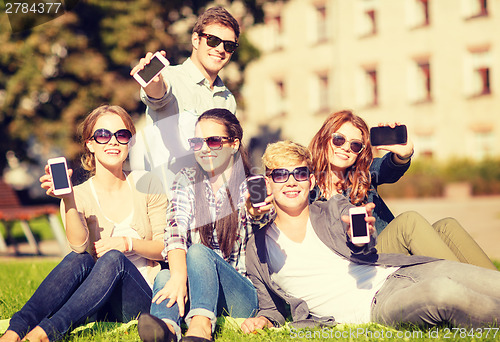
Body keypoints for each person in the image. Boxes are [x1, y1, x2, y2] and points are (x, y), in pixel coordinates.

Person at [241, 140, 500, 333]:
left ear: (310, 180)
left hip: (402, 272)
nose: (291, 182)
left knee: (491, 282)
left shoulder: (332, 209)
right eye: (280, 174)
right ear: (268, 182)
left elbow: (363, 242)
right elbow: (271, 309)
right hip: (377, 303)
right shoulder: (257, 248)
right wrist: (261, 321)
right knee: (444, 291)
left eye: (299, 173)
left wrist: (360, 234)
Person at [0, 105, 168, 342]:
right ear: (90, 143)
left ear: (130, 142)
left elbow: (164, 248)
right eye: (102, 135)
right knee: (79, 258)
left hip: (140, 299)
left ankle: (47, 332)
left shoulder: (147, 183)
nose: (113, 142)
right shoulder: (77, 194)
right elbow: (79, 248)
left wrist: (127, 243)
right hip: (96, 299)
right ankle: (16, 330)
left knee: (114, 258)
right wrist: (68, 200)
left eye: (122, 135)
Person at [137, 108, 272, 342]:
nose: (205, 148)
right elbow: (175, 232)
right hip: (197, 286)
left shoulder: (251, 185)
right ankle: (167, 331)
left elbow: (260, 219)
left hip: (240, 292)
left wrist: (254, 211)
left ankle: (201, 329)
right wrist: (178, 277)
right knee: (166, 276)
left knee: (198, 251)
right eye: (197, 142)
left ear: (234, 144)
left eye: (213, 141)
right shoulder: (186, 179)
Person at [308, 110, 496, 270]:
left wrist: (402, 156)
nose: (346, 148)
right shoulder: (306, 184)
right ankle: (466, 291)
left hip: (388, 246)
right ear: (324, 138)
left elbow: (386, 168)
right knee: (409, 222)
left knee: (447, 226)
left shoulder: (362, 175)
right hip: (360, 261)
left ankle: (495, 290)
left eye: (355, 145)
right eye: (339, 139)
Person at [129, 7, 240, 194]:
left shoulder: (228, 100)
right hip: (167, 201)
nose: (220, 49)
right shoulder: (168, 77)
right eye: (213, 40)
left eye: (229, 45)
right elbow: (158, 94)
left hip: (211, 204)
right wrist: (152, 82)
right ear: (195, 39)